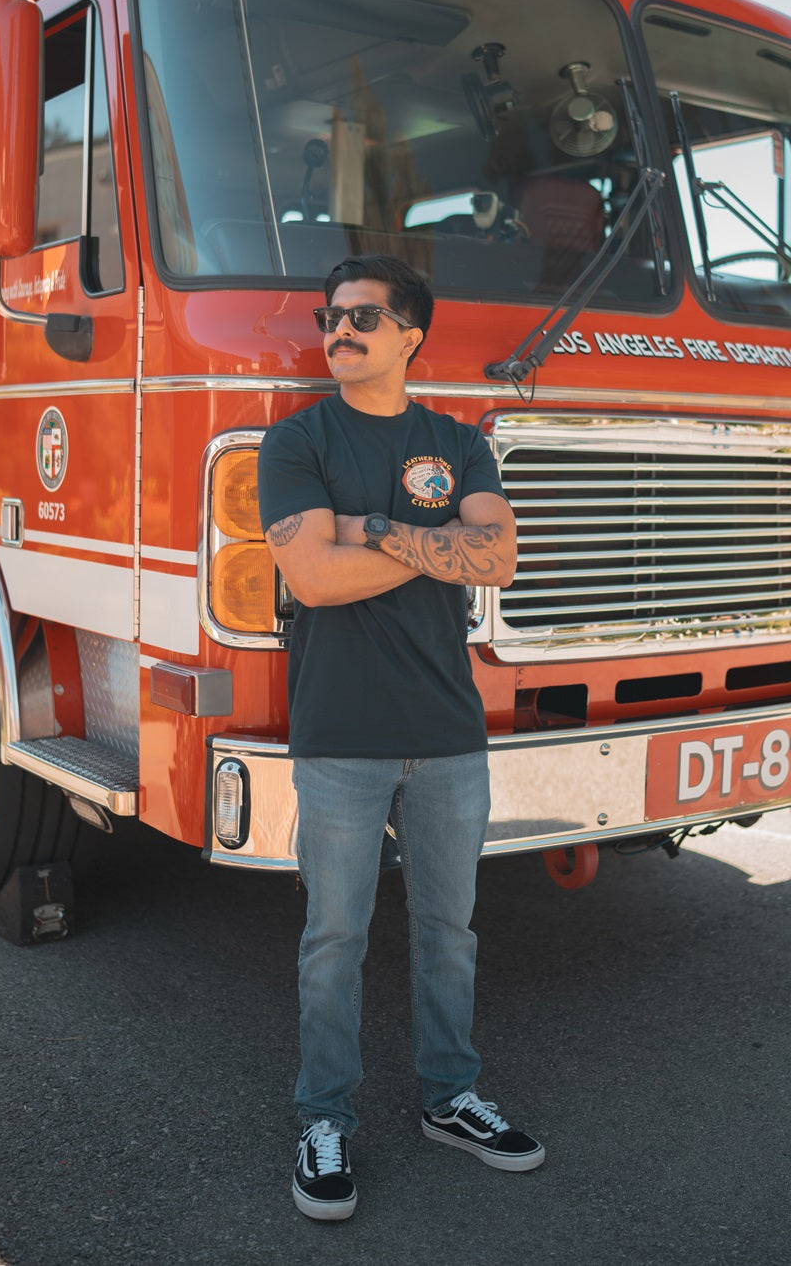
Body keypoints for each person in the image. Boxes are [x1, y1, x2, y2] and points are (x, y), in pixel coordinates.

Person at [257, 253, 544, 1222]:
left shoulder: (458, 442)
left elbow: (499, 556)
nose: (339, 332)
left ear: (413, 334)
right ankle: (322, 1117)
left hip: (450, 735)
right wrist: (426, 549)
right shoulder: (295, 441)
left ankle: (448, 1098)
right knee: (334, 938)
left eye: (363, 317)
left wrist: (368, 527)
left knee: (448, 934)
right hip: (339, 736)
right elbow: (311, 581)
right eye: (331, 317)